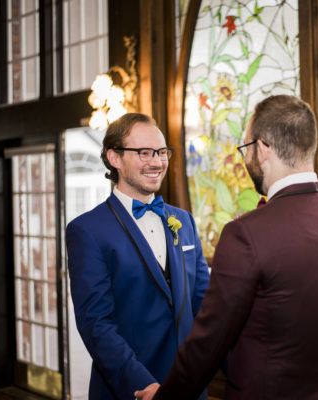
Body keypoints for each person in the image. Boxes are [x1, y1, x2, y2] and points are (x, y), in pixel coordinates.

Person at [136, 95, 318, 400]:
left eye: (246, 148)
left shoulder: (245, 234)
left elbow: (209, 343)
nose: (246, 159)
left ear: (262, 149)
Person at [66, 113, 210, 400]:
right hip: (129, 389)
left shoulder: (184, 220)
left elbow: (206, 303)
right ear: (114, 158)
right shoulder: (87, 230)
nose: (157, 162)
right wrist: (144, 385)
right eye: (144, 152)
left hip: (190, 387)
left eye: (161, 152)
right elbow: (96, 325)